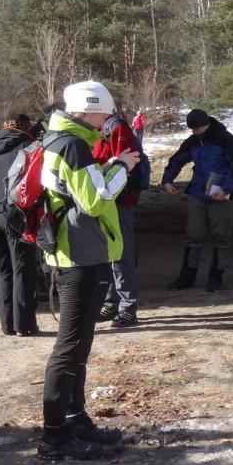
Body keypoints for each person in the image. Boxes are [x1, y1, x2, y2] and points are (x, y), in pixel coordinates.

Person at [38, 80, 141, 460]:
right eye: (104, 113)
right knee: (69, 348)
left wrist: (108, 166)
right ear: (88, 110)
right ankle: (53, 438)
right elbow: (95, 200)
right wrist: (123, 167)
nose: (107, 120)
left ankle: (76, 419)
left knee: (78, 345)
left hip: (78, 253)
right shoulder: (72, 145)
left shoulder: (60, 139)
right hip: (78, 256)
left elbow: (79, 187)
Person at [162, 108, 233, 293]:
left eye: (196, 128)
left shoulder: (226, 140)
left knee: (221, 236)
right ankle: (187, 277)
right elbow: (177, 159)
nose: (194, 132)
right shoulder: (193, 141)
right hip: (198, 194)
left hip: (222, 195)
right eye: (191, 129)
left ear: (206, 124)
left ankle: (216, 278)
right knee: (193, 235)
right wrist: (167, 180)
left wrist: (226, 189)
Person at [0, 113, 40, 337]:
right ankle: (24, 325)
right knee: (22, 268)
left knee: (3, 271)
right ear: (26, 127)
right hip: (14, 214)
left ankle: (7, 325)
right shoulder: (28, 147)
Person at [92, 112, 142, 327]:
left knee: (121, 254)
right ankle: (112, 303)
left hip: (118, 201)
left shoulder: (116, 128)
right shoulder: (94, 131)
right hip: (104, 200)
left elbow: (128, 162)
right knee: (107, 254)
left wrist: (108, 166)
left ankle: (127, 307)